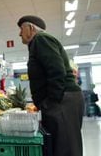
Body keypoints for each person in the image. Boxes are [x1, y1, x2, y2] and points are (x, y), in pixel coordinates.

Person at [17, 15, 84, 156]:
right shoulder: (38, 43)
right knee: (63, 146)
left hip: (62, 100)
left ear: (31, 28)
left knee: (65, 149)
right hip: (63, 99)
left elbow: (57, 70)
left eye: (21, 29)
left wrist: (51, 101)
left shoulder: (41, 39)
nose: (19, 33)